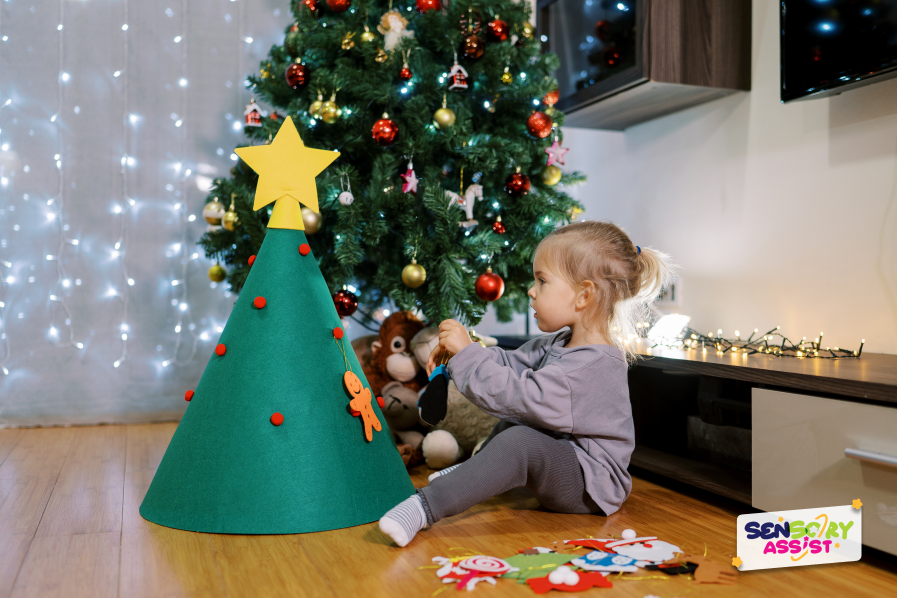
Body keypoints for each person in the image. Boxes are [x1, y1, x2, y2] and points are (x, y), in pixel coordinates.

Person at [378, 221, 675, 547]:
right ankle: (471, 474)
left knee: (520, 439)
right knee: (520, 424)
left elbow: (517, 396)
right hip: (565, 458)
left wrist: (466, 357)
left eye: (542, 281)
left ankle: (424, 507)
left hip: (590, 485)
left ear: (584, 295)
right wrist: (465, 351)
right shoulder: (560, 342)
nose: (531, 291)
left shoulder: (592, 366)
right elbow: (509, 364)